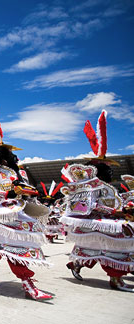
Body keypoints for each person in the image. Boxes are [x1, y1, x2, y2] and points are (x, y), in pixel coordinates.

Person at [0, 90, 52, 300]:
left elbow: (25, 192)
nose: (15, 157)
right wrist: (7, 192)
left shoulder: (18, 172)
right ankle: (28, 284)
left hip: (18, 212)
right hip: (0, 215)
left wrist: (28, 193)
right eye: (11, 154)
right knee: (14, 248)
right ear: (3, 158)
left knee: (4, 248)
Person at [61, 110, 133, 292]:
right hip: (96, 221)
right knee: (119, 243)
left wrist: (123, 209)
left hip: (106, 220)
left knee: (103, 247)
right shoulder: (89, 186)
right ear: (98, 169)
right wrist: (114, 212)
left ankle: (77, 264)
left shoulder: (104, 185)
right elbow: (86, 206)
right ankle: (115, 278)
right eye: (107, 167)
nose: (110, 171)